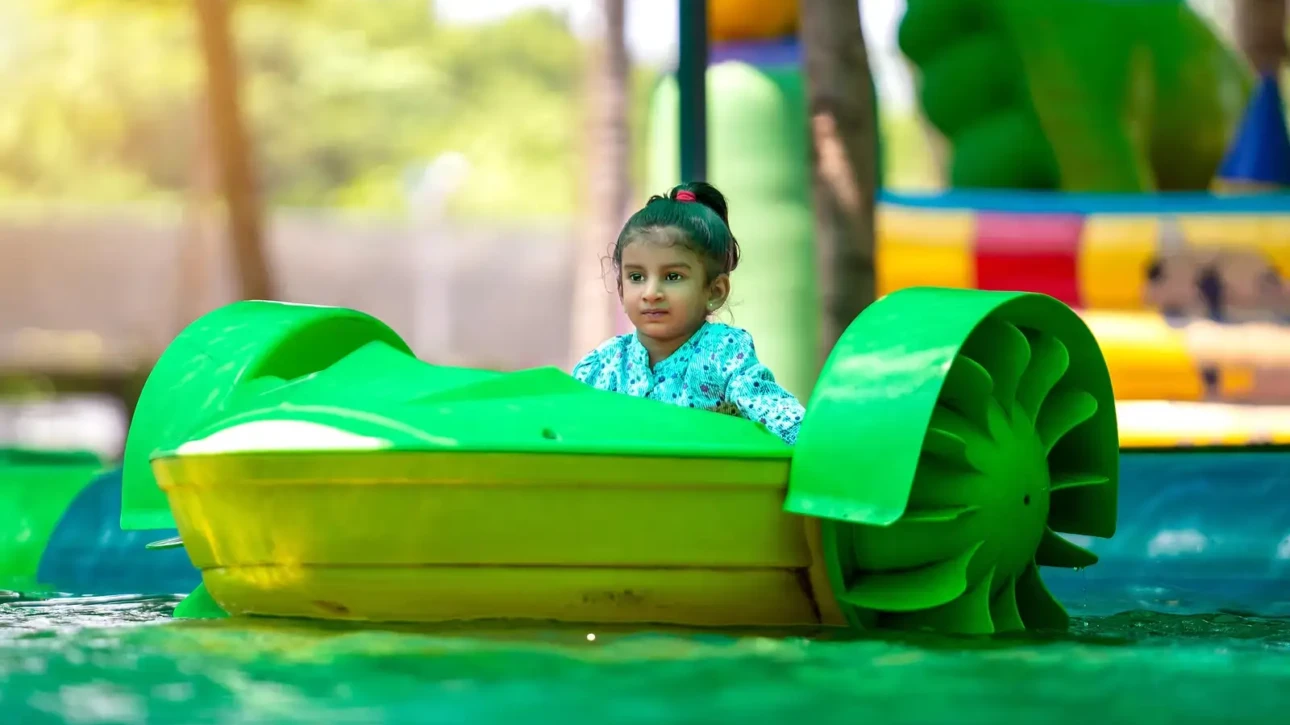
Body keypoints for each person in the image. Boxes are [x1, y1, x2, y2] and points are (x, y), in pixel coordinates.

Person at [571, 182, 806, 444]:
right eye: (636, 277)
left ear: (714, 292)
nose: (651, 293)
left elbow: (773, 411)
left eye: (672, 276)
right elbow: (564, 427)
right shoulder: (605, 364)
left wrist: (817, 443)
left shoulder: (722, 353)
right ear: (621, 290)